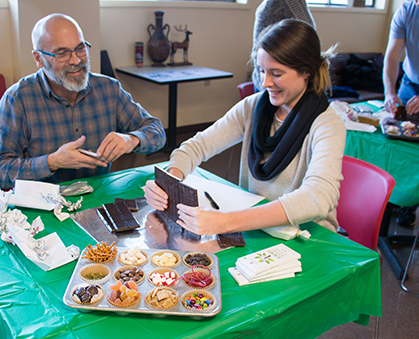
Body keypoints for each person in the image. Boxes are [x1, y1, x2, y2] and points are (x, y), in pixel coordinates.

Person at [143, 19, 345, 236]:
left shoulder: (327, 124)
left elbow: (318, 197)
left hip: (309, 238)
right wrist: (169, 181)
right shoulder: (252, 107)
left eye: (276, 74)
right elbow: (196, 147)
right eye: (261, 70)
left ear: (307, 72)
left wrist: (226, 222)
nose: (265, 82)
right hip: (257, 227)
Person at [0, 13, 166, 189]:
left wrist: (131, 139)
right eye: (62, 53)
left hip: (97, 197)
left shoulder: (108, 89)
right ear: (38, 58)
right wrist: (52, 162)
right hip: (42, 205)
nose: (76, 60)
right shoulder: (17, 100)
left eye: (80, 48)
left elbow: (157, 132)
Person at [383, 0, 419, 227]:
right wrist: (389, 92)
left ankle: (410, 205)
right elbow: (392, 57)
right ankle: (394, 198)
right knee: (400, 135)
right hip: (409, 83)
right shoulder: (406, 10)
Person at [252, 0, 316, 92]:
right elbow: (258, 52)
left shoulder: (299, 2)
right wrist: (268, 94)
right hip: (273, 88)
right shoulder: (274, 5)